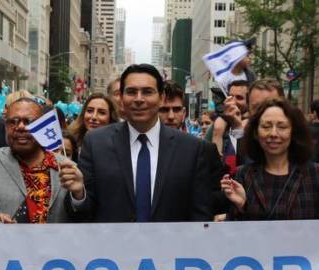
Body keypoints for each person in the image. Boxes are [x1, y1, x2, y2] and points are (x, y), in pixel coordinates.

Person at [68, 64, 221, 222]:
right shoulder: (96, 143)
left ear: (161, 98)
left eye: (147, 92)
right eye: (131, 92)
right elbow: (84, 212)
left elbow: (200, 214)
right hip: (111, 244)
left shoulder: (191, 149)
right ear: (121, 98)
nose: (139, 99)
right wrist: (79, 194)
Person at [220, 97, 319, 220]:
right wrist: (241, 206)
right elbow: (236, 232)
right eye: (266, 126)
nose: (273, 134)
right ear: (255, 133)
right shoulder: (243, 175)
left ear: (293, 132)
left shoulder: (315, 174)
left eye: (282, 127)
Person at [0, 98, 82, 223]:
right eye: (13, 122)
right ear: (5, 126)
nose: (20, 126)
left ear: (43, 126)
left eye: (29, 121)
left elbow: (81, 218)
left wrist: (78, 195)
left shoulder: (68, 168)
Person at [209, 80, 249, 175]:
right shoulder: (217, 126)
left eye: (239, 98)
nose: (233, 102)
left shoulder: (255, 126)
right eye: (230, 97)